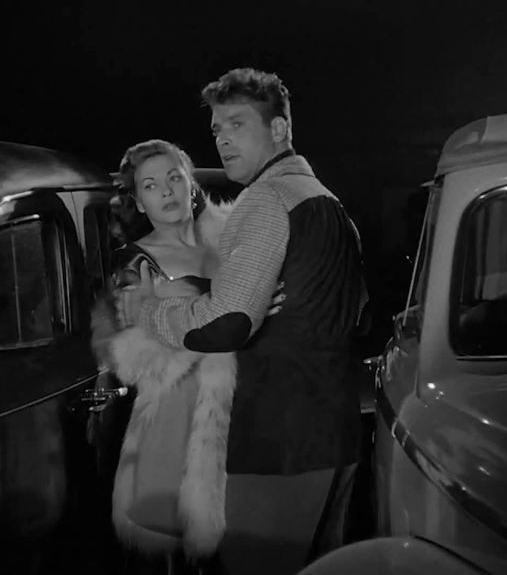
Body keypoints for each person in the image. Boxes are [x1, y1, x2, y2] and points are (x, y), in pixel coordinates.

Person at [116, 68, 368, 575]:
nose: (224, 139)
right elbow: (359, 316)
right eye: (217, 129)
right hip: (334, 435)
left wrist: (151, 310)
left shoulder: (268, 199)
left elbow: (228, 322)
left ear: (279, 129)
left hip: (279, 443)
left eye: (238, 124)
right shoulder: (327, 201)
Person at [91, 138, 244, 573]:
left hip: (245, 411)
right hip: (175, 417)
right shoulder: (136, 263)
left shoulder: (232, 241)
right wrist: (212, 315)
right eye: (151, 185)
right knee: (175, 546)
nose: (166, 191)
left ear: (190, 182)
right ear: (139, 201)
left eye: (174, 177)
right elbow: (131, 358)